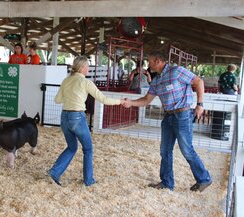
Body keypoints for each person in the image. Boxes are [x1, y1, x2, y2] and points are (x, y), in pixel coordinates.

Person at [123, 51, 212, 192]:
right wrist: (131, 103)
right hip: (168, 116)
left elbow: (198, 81)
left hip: (183, 114)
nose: (148, 64)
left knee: (187, 150)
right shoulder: (156, 80)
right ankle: (166, 182)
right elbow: (146, 100)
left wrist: (200, 104)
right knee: (165, 151)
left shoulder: (176, 71)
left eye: (150, 61)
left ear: (158, 61)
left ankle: (204, 179)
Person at [48, 56, 126, 187]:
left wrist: (70, 96)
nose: (88, 68)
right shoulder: (86, 83)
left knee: (72, 147)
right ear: (82, 67)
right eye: (87, 66)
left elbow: (57, 100)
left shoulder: (66, 81)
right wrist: (121, 102)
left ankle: (54, 172)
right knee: (88, 149)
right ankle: (88, 180)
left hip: (64, 117)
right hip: (77, 117)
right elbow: (104, 99)